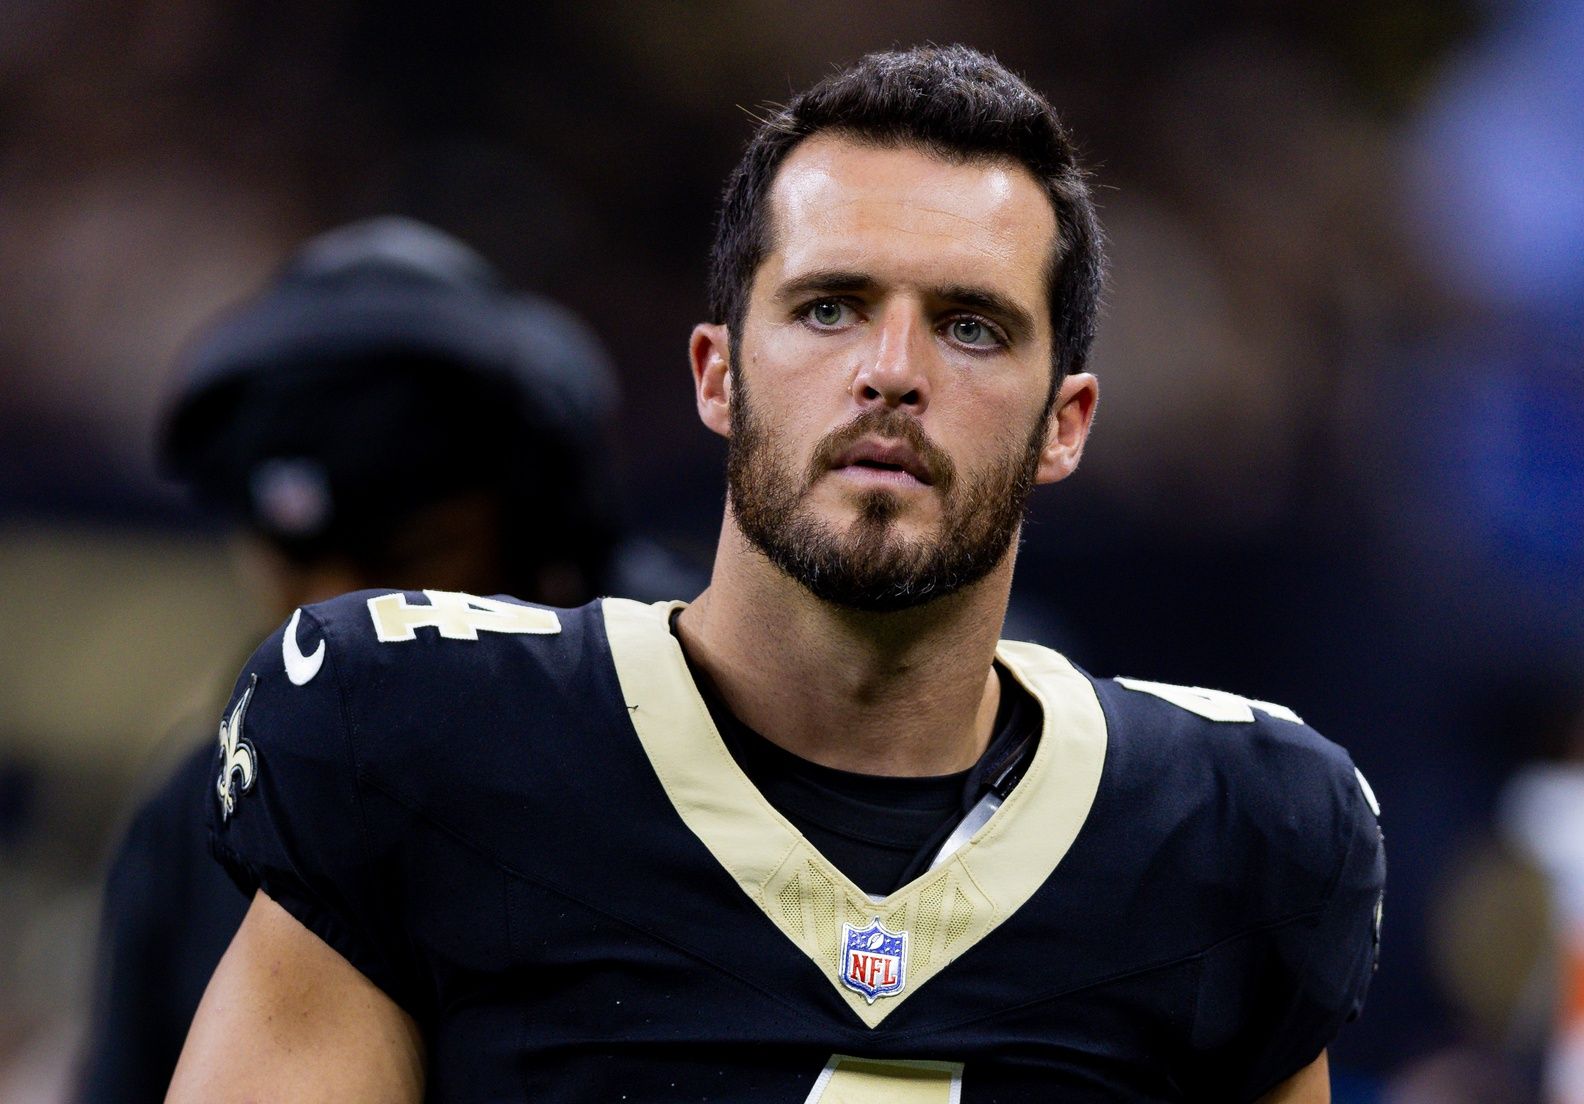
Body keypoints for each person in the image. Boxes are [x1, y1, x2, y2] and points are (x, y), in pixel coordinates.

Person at [167, 47, 1383, 1103]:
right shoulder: (421, 739)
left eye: (971, 325)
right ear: (717, 374)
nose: (892, 370)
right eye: (829, 308)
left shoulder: (1239, 839)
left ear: (1066, 423)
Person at [75, 216, 696, 1104]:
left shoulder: (715, 728)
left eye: (398, 560)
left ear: (544, 528)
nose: (331, 623)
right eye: (292, 564)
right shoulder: (201, 813)